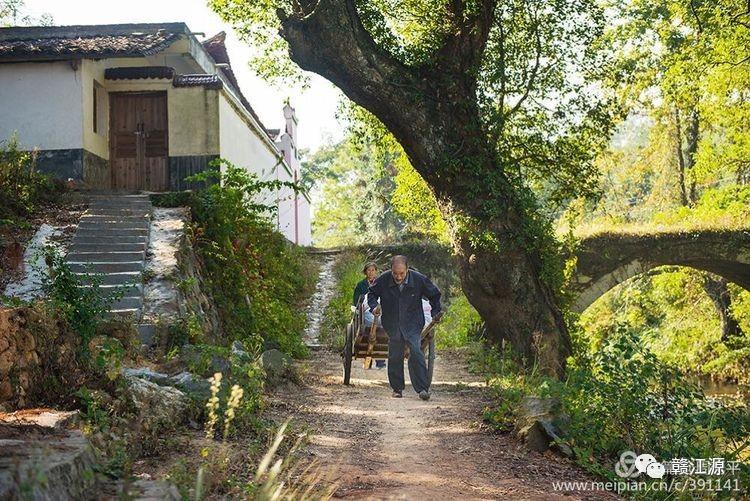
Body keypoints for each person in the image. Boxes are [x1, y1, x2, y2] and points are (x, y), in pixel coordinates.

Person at [367, 255, 442, 400]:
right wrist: (373, 307)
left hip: (413, 322)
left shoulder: (418, 279)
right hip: (392, 322)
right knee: (395, 352)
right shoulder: (383, 279)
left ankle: (422, 389)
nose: (398, 277)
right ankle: (397, 388)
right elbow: (372, 294)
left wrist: (435, 312)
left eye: (401, 273)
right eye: (395, 273)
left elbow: (434, 295)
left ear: (407, 269)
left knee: (415, 349)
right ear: (391, 270)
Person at [352, 262, 386, 368]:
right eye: (369, 270)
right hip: (366, 312)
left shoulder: (381, 284)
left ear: (376, 272)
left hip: (379, 311)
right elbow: (356, 302)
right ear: (365, 272)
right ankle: (368, 359)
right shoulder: (361, 285)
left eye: (373, 270)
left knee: (382, 325)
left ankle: (380, 361)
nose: (371, 272)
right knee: (369, 326)